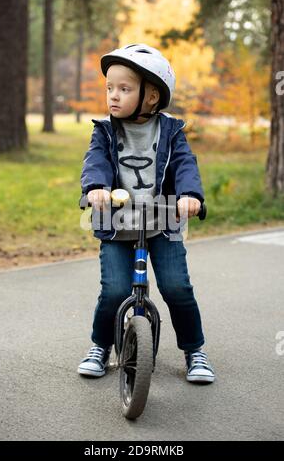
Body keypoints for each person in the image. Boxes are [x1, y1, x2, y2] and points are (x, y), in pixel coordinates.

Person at [78, 43, 215, 383]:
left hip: (163, 221)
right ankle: (100, 346)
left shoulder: (171, 131)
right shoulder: (105, 130)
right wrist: (96, 187)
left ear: (151, 96)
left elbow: (185, 165)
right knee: (113, 291)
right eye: (110, 87)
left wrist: (189, 195)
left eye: (124, 89)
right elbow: (95, 161)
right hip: (116, 224)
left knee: (177, 287)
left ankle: (194, 350)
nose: (113, 95)